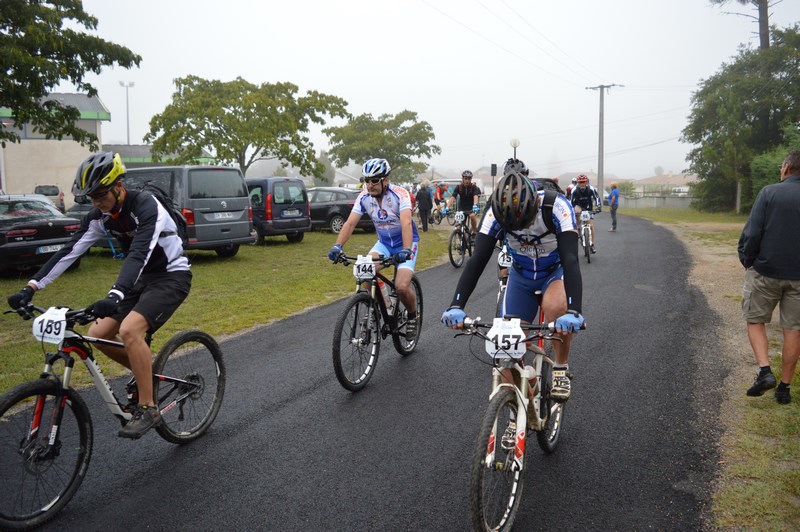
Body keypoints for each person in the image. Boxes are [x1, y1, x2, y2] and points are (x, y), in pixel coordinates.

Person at [6, 152, 192, 438]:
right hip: (141, 281)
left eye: (100, 195)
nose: (96, 203)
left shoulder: (145, 205)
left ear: (119, 186)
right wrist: (31, 286)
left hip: (171, 276)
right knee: (100, 332)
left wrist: (116, 294)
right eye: (90, 198)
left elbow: (139, 253)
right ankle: (148, 377)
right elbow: (70, 250)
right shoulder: (101, 216)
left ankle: (148, 407)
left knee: (130, 331)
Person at [441, 171, 585, 401]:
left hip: (553, 272)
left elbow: (570, 259)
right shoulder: (493, 214)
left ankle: (560, 367)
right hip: (521, 276)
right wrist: (456, 305)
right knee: (505, 350)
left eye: (525, 221)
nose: (521, 228)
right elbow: (477, 260)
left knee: (556, 307)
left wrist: (574, 310)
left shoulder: (556, 206)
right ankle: (513, 412)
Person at [328, 158, 420, 339]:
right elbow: (350, 223)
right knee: (365, 271)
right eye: (366, 180)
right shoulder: (363, 197)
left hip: (406, 243)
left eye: (374, 180)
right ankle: (375, 308)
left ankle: (412, 316)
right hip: (384, 243)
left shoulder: (400, 195)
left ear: (385, 180)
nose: (370, 185)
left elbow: (406, 222)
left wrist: (407, 249)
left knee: (401, 286)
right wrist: (337, 246)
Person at [737, 150, 800, 405]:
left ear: (786, 167)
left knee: (755, 320)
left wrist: (748, 260)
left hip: (766, 271)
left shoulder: (770, 192)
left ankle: (765, 372)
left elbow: (752, 233)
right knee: (793, 330)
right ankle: (784, 389)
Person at [570, 174, 601, 253]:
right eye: (580, 182)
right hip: (578, 206)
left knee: (591, 225)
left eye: (584, 182)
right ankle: (578, 230)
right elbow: (570, 201)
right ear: (578, 183)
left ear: (587, 182)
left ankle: (592, 244)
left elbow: (596, 197)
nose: (582, 184)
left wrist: (599, 206)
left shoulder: (591, 189)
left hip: (588, 207)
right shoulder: (574, 190)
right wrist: (570, 210)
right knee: (577, 217)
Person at [447, 170, 481, 235]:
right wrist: (447, 207)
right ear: (462, 179)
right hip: (462, 208)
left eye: (469, 179)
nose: (467, 181)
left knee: (472, 216)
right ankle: (461, 239)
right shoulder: (459, 187)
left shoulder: (474, 187)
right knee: (459, 227)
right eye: (465, 179)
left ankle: (474, 231)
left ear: (471, 179)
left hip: (472, 208)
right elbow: (453, 197)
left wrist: (475, 205)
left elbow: (475, 196)